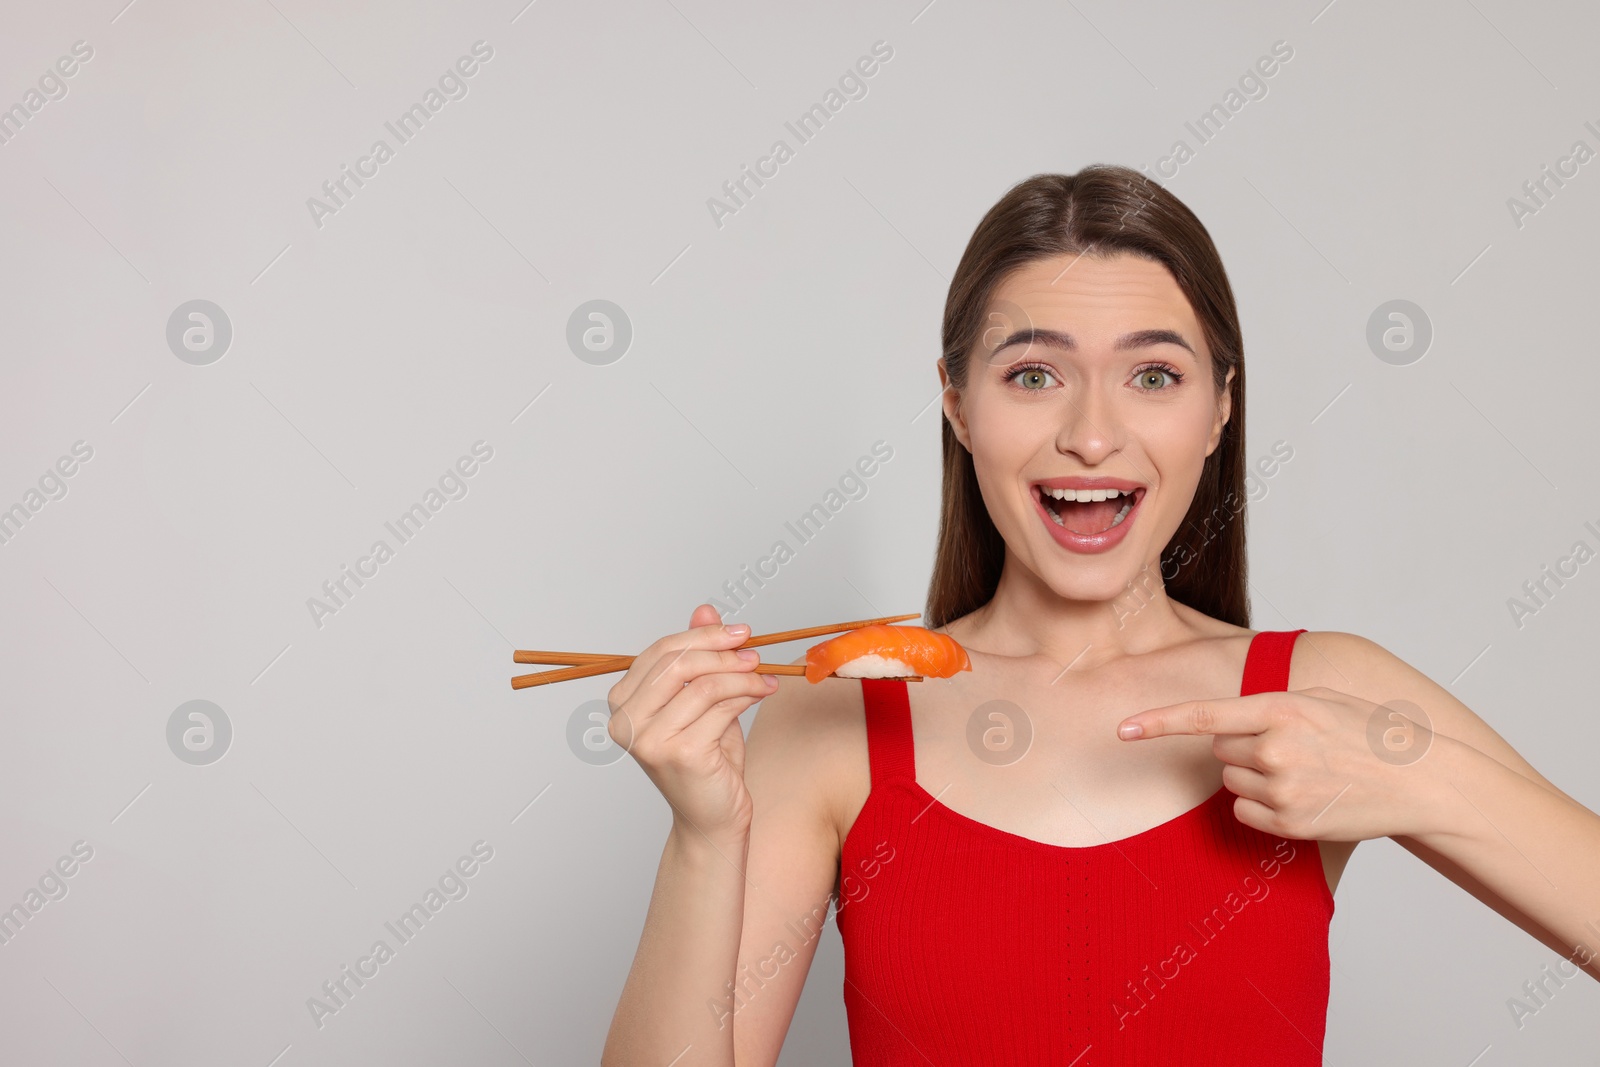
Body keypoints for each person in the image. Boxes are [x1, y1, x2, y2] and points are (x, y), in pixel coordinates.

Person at [598, 165, 1600, 1065]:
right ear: (956, 403)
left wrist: (1417, 771)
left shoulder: (1316, 690)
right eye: (1032, 375)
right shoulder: (838, 718)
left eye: (1153, 375)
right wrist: (702, 831)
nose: (1089, 432)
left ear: (1217, 409)